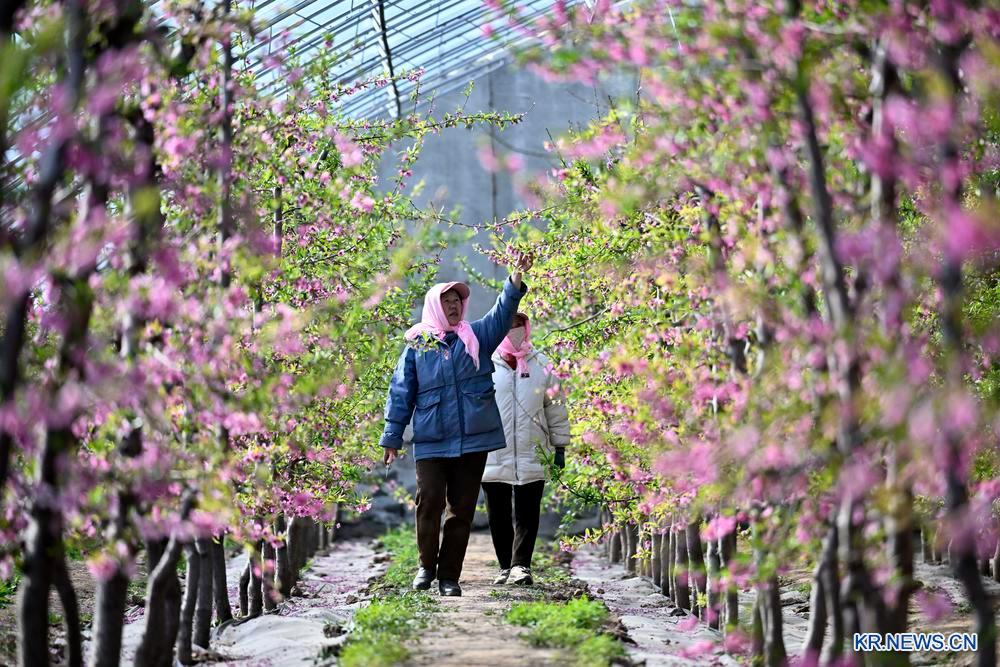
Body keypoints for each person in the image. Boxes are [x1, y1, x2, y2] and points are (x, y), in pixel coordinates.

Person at [380, 258, 531, 596]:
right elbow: (401, 392)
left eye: (457, 301)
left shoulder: (477, 336)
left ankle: (449, 577)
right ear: (435, 306)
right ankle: (426, 566)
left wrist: (515, 277)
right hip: (432, 439)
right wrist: (392, 436)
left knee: (461, 510)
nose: (453, 306)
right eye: (447, 301)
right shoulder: (417, 345)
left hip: (472, 441)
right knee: (429, 501)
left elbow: (503, 310)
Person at [481, 312, 569, 586]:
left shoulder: (542, 364)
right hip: (494, 450)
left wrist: (560, 446)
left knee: (528, 512)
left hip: (533, 448)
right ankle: (505, 566)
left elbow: (555, 408)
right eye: (508, 325)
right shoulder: (485, 362)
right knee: (498, 514)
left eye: (518, 324)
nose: (513, 329)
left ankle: (521, 566)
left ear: (526, 327)